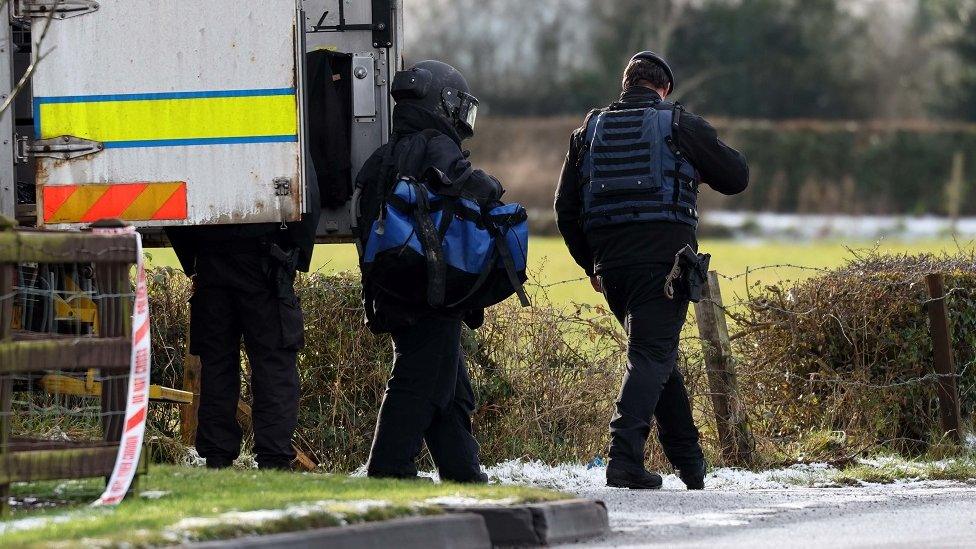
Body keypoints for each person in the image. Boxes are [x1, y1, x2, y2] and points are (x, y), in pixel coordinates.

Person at [555, 51, 749, 490]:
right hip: (665, 264)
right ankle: (622, 459)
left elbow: (565, 209)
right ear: (662, 89)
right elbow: (736, 176)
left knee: (658, 357)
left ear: (627, 85)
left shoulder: (587, 131)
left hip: (612, 267)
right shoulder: (679, 122)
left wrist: (592, 264)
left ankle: (690, 465)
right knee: (650, 356)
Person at [355, 60, 502, 483]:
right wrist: (492, 188)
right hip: (430, 290)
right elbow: (467, 186)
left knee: (449, 386)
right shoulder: (436, 145)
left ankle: (462, 471)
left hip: (393, 287)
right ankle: (389, 468)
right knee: (419, 381)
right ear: (444, 102)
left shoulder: (383, 156)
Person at [166, 160, 320, 471]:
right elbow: (306, 194)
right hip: (265, 264)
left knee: (217, 364)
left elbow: (176, 197)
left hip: (211, 262)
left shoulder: (197, 133)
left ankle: (218, 457)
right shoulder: (277, 124)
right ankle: (274, 459)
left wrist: (194, 260)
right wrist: (293, 256)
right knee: (273, 364)